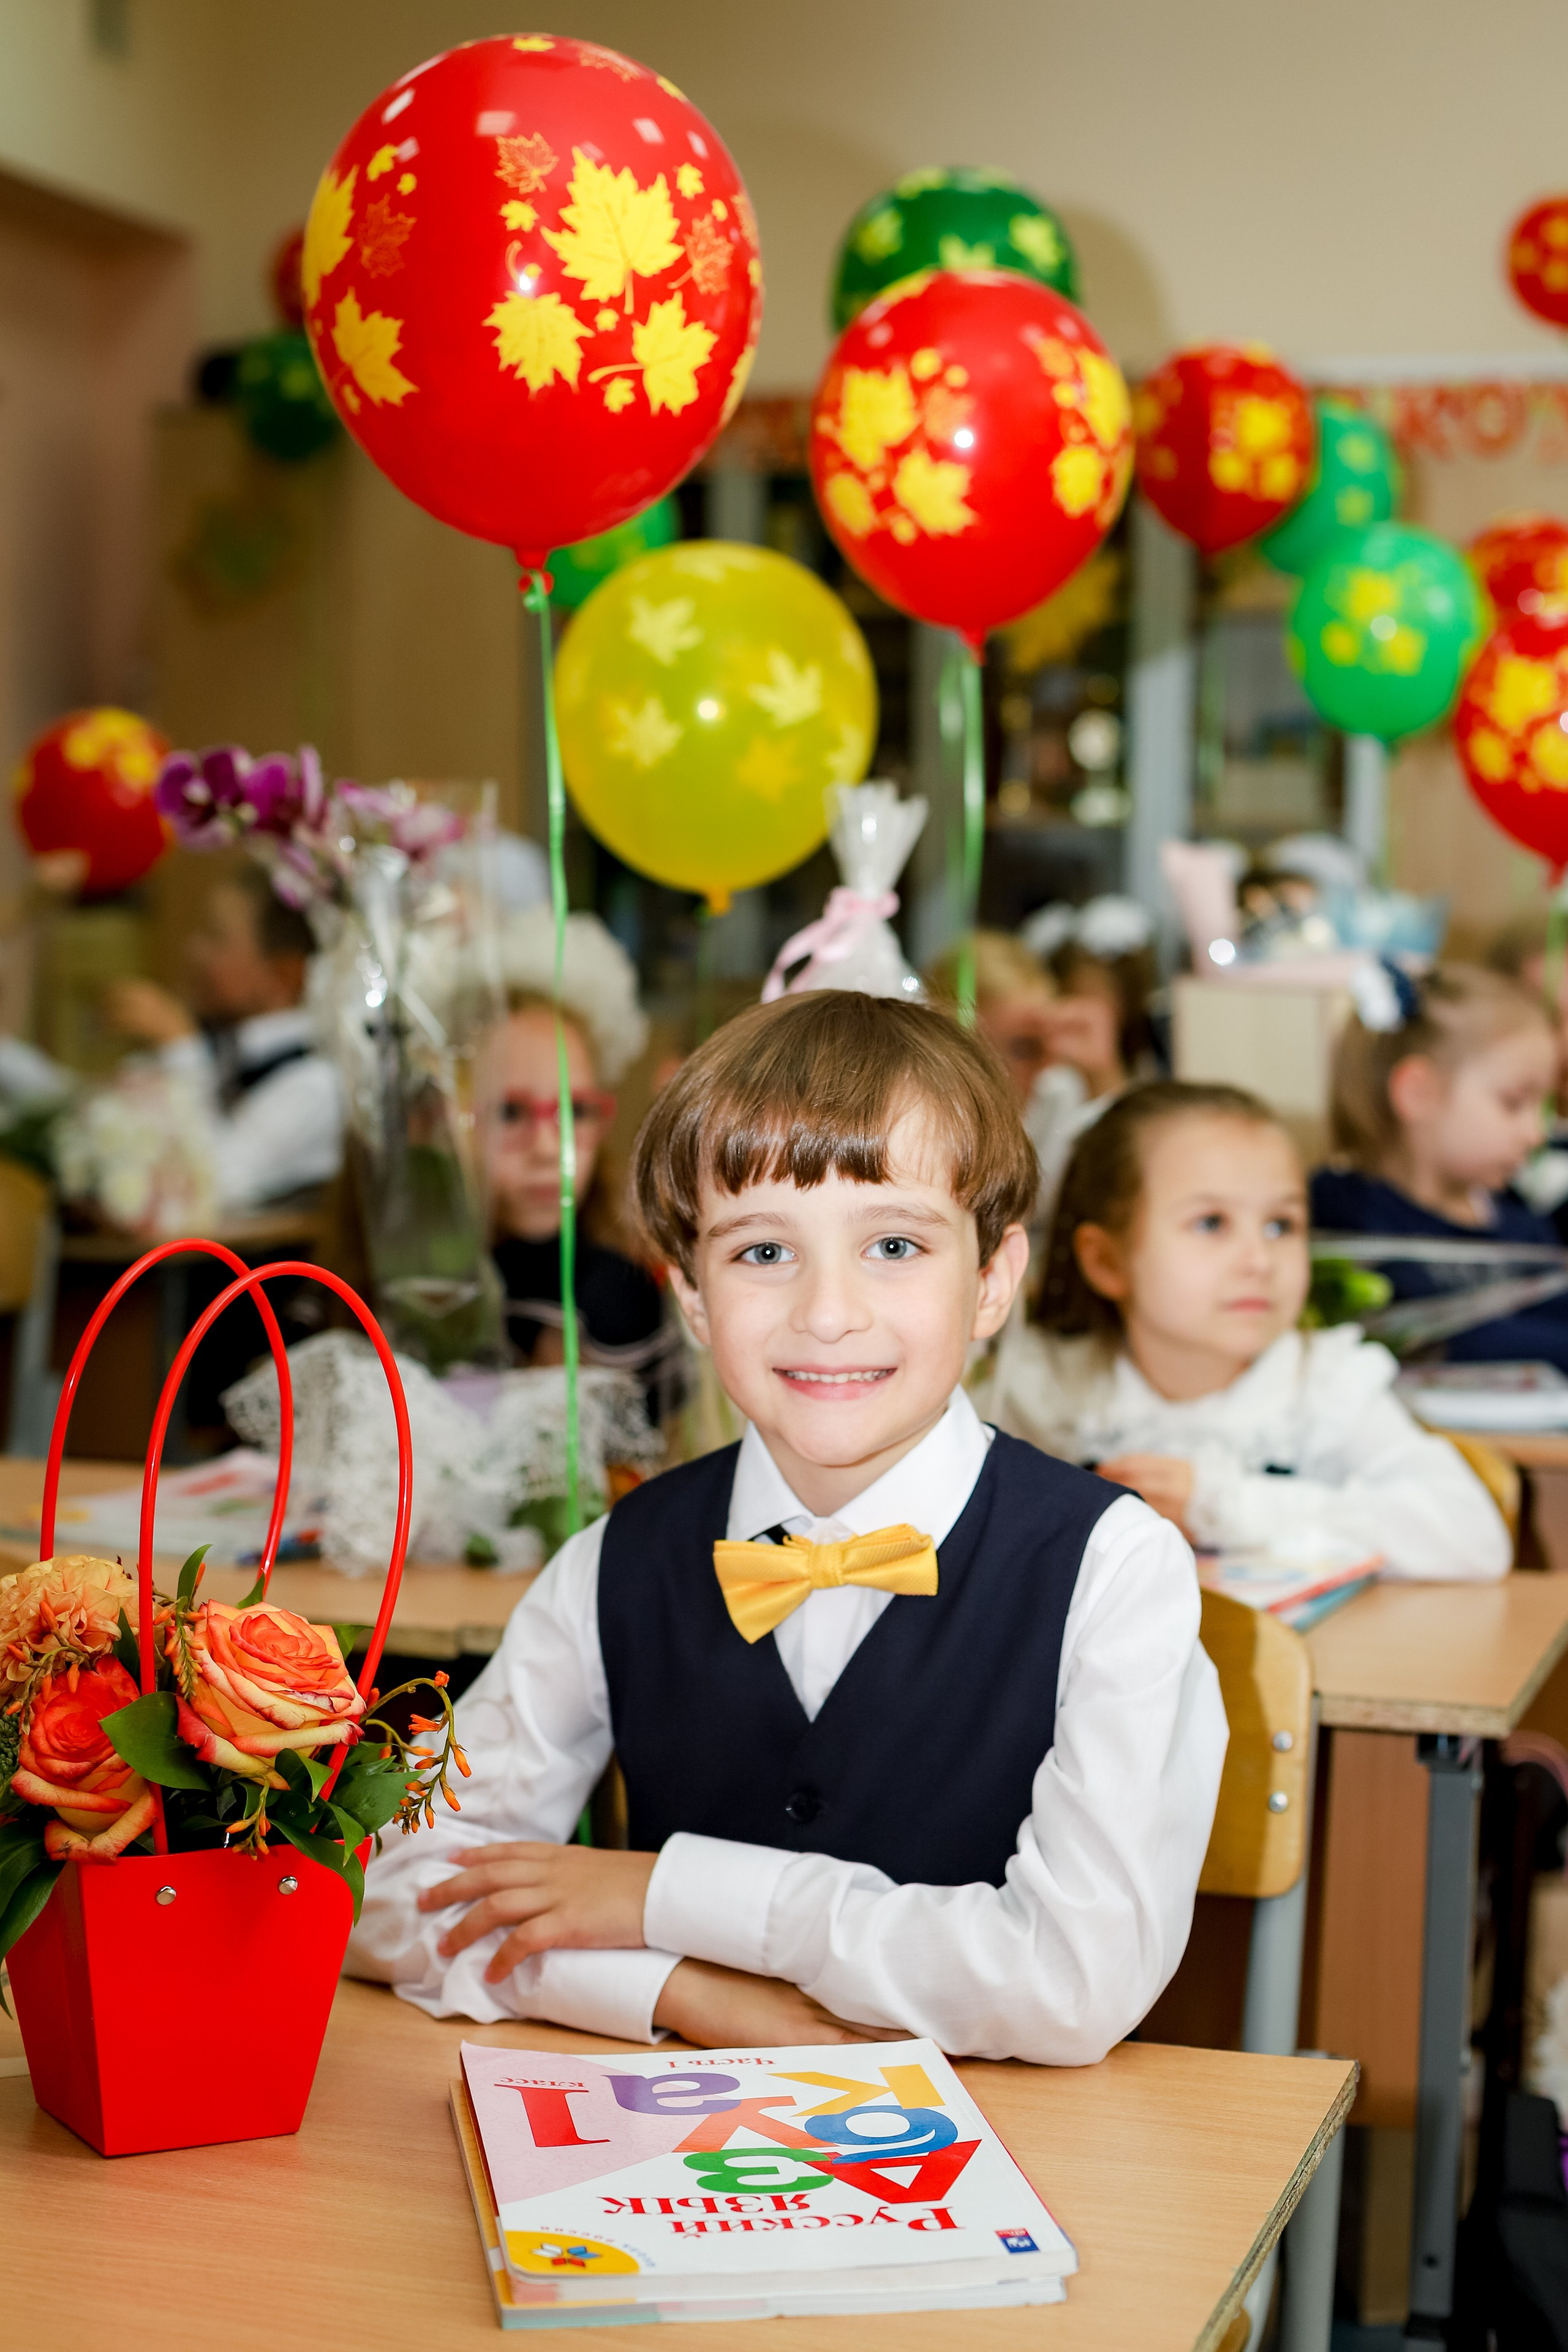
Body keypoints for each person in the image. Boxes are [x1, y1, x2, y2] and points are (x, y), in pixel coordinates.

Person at [345, 991, 1228, 2063]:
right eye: (763, 1254)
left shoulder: (1113, 1569)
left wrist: (675, 1898)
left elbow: (1069, 1983)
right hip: (680, 2168)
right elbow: (383, 1890)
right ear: (694, 1299)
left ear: (993, 1280)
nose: (827, 1311)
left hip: (1031, 2170)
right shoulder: (615, 1564)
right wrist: (676, 1991)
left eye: (895, 1245)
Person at [974, 1080, 1509, 1578]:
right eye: (1211, 1223)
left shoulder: (1323, 1387)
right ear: (1108, 1261)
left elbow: (1473, 1538)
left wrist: (1223, 1505)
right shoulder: (1037, 1392)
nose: (1258, 1260)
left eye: (1281, 1225)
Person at [1310, 963, 1568, 1369]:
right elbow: (1436, 1339)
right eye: (1514, 1103)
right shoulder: (1341, 1215)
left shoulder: (1520, 1221)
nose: (1536, 1134)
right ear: (1418, 1093)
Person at [481, 908, 668, 1393]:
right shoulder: (392, 1278)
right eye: (510, 1114)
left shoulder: (612, 1292)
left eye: (575, 1112)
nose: (549, 1150)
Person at [102, 863, 341, 1213]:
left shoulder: (316, 1082)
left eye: (216, 938)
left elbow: (215, 1183)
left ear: (284, 975)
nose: (194, 950)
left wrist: (179, 1047)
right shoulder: (222, 1046)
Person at [925, 929, 1123, 1237]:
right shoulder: (928, 1122)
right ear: (957, 1045)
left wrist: (1104, 1076)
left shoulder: (1059, 1092)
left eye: (1049, 1043)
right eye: (1025, 1049)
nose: (1048, 1065)